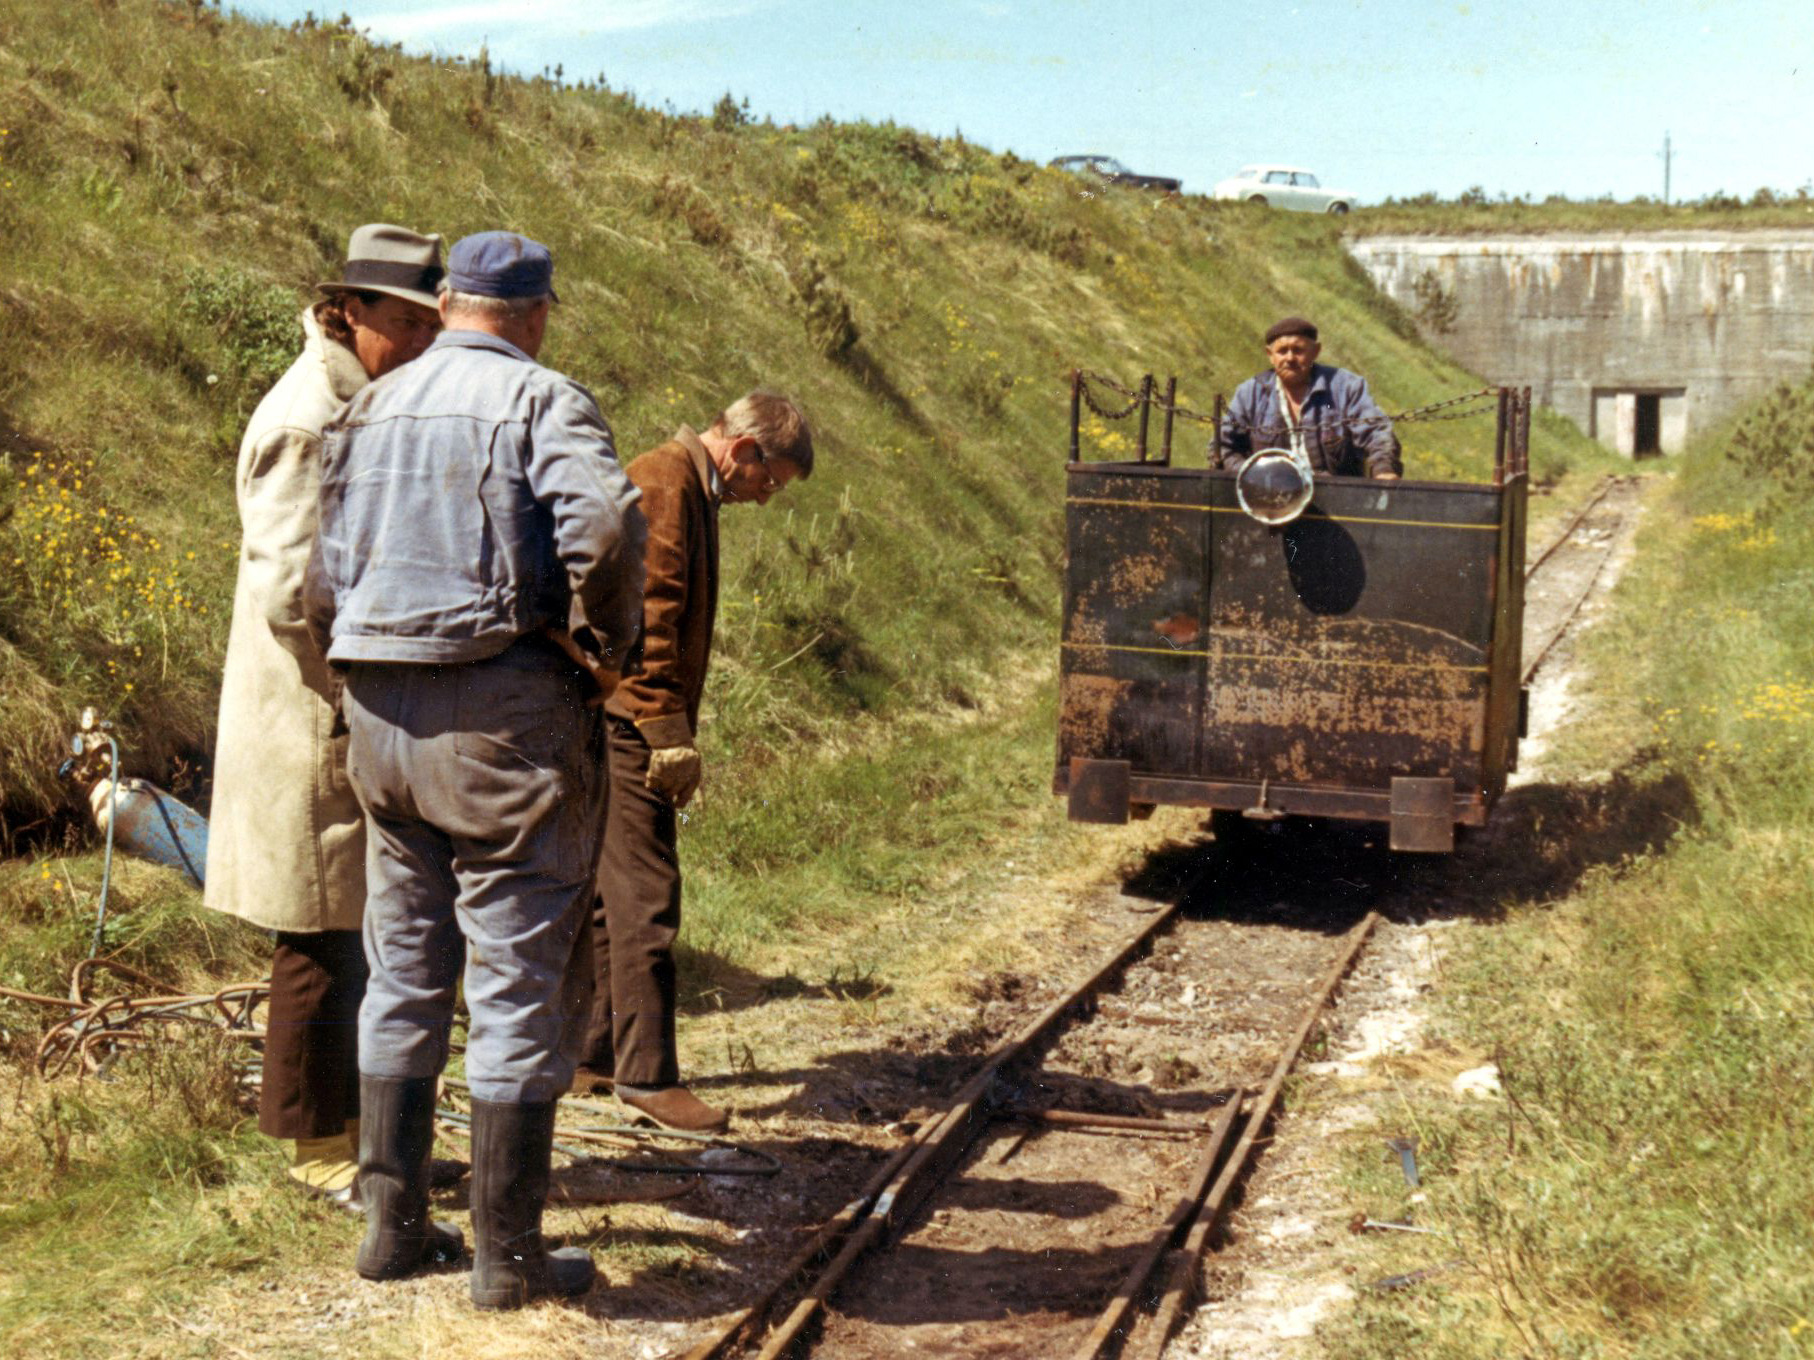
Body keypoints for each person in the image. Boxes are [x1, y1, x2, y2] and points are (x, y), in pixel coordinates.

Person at [308, 231, 646, 1308]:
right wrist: (610, 646)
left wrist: (355, 669)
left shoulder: (369, 404)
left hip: (378, 714)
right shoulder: (544, 399)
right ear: (534, 314)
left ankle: (391, 1229)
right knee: (516, 969)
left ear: (449, 301)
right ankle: (508, 1256)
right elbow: (604, 525)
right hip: (501, 714)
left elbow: (318, 577)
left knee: (403, 962)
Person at [204, 223, 444, 1210]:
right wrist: (358, 690)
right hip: (310, 716)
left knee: (351, 932)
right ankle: (317, 1151)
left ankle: (352, 1136)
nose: (420, 342)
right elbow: (287, 592)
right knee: (314, 934)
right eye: (404, 323)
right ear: (350, 310)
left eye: (431, 325)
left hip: (340, 712)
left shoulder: (356, 399)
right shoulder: (309, 417)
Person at [571, 393, 814, 1134]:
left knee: (612, 897)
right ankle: (648, 1078)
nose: (764, 498)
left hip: (621, 716)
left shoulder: (684, 483)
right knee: (648, 895)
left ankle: (590, 1055)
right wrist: (664, 729)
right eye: (768, 480)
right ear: (743, 450)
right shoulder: (667, 480)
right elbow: (648, 613)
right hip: (630, 721)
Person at [1217, 316, 1402, 479]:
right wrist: (1252, 477)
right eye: (1282, 351)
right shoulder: (1250, 394)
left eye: (1298, 350)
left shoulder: (1346, 388)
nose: (1290, 358)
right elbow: (1223, 446)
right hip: (1270, 497)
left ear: (1315, 351)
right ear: (1270, 355)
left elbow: (1376, 433)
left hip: (1337, 496)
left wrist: (1384, 469)